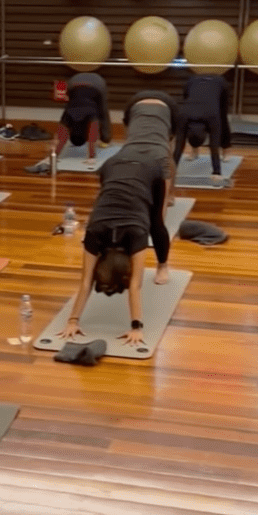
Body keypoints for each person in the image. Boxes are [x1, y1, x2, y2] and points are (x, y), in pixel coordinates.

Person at [59, 142, 171, 347]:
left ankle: (162, 264)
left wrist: (137, 327)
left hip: (149, 167)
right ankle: (162, 265)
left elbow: (135, 285)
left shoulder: (135, 233)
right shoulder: (94, 233)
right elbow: (87, 282)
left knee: (156, 223)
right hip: (112, 166)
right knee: (113, 194)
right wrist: (72, 321)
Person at [172, 74, 232, 184]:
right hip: (192, 82)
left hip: (219, 83)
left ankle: (226, 149)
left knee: (223, 118)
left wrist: (217, 171)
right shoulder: (182, 116)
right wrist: (171, 171)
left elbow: (214, 145)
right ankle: (194, 152)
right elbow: (179, 145)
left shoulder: (213, 117)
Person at [122, 89, 177, 205]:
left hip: (141, 101)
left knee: (166, 152)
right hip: (147, 102)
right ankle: (170, 195)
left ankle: (170, 194)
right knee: (167, 154)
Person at [57, 74, 112, 161]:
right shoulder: (69, 114)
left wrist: (55, 154)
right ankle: (105, 138)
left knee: (98, 111)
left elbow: (61, 138)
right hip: (76, 83)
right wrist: (105, 139)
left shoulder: (89, 114)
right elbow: (103, 115)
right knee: (102, 110)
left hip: (90, 83)